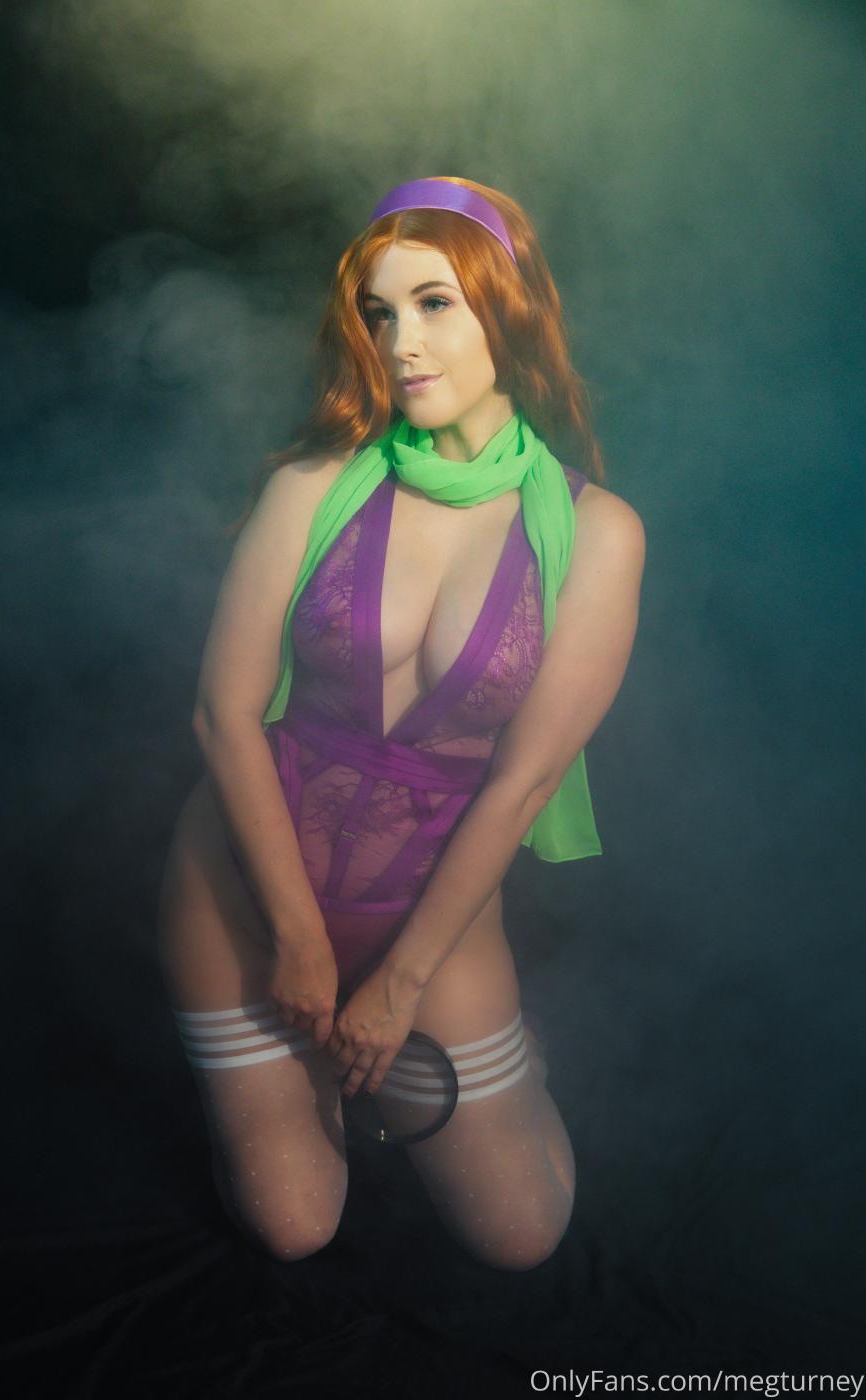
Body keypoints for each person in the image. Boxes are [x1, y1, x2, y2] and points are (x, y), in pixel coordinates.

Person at [157, 176, 645, 1270]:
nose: (399, 343)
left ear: (508, 311)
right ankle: (288, 1084)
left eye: (433, 304)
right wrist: (297, 943)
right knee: (293, 1226)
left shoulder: (600, 534)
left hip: (428, 915)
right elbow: (222, 715)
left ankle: (469, 1051)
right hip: (242, 891)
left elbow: (522, 783)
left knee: (521, 1236)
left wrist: (397, 985)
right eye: (378, 315)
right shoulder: (312, 483)